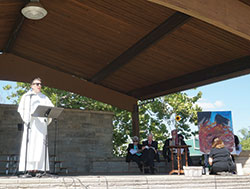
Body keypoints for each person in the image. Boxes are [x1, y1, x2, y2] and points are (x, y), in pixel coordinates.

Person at [18, 78, 54, 175]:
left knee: (40, 147)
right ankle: (29, 169)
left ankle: (39, 169)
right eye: (37, 84)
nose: (39, 86)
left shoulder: (44, 98)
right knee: (31, 147)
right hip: (31, 125)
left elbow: (51, 109)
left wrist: (47, 116)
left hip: (41, 126)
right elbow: (21, 110)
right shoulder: (26, 97)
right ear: (31, 85)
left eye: (40, 84)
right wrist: (29, 116)